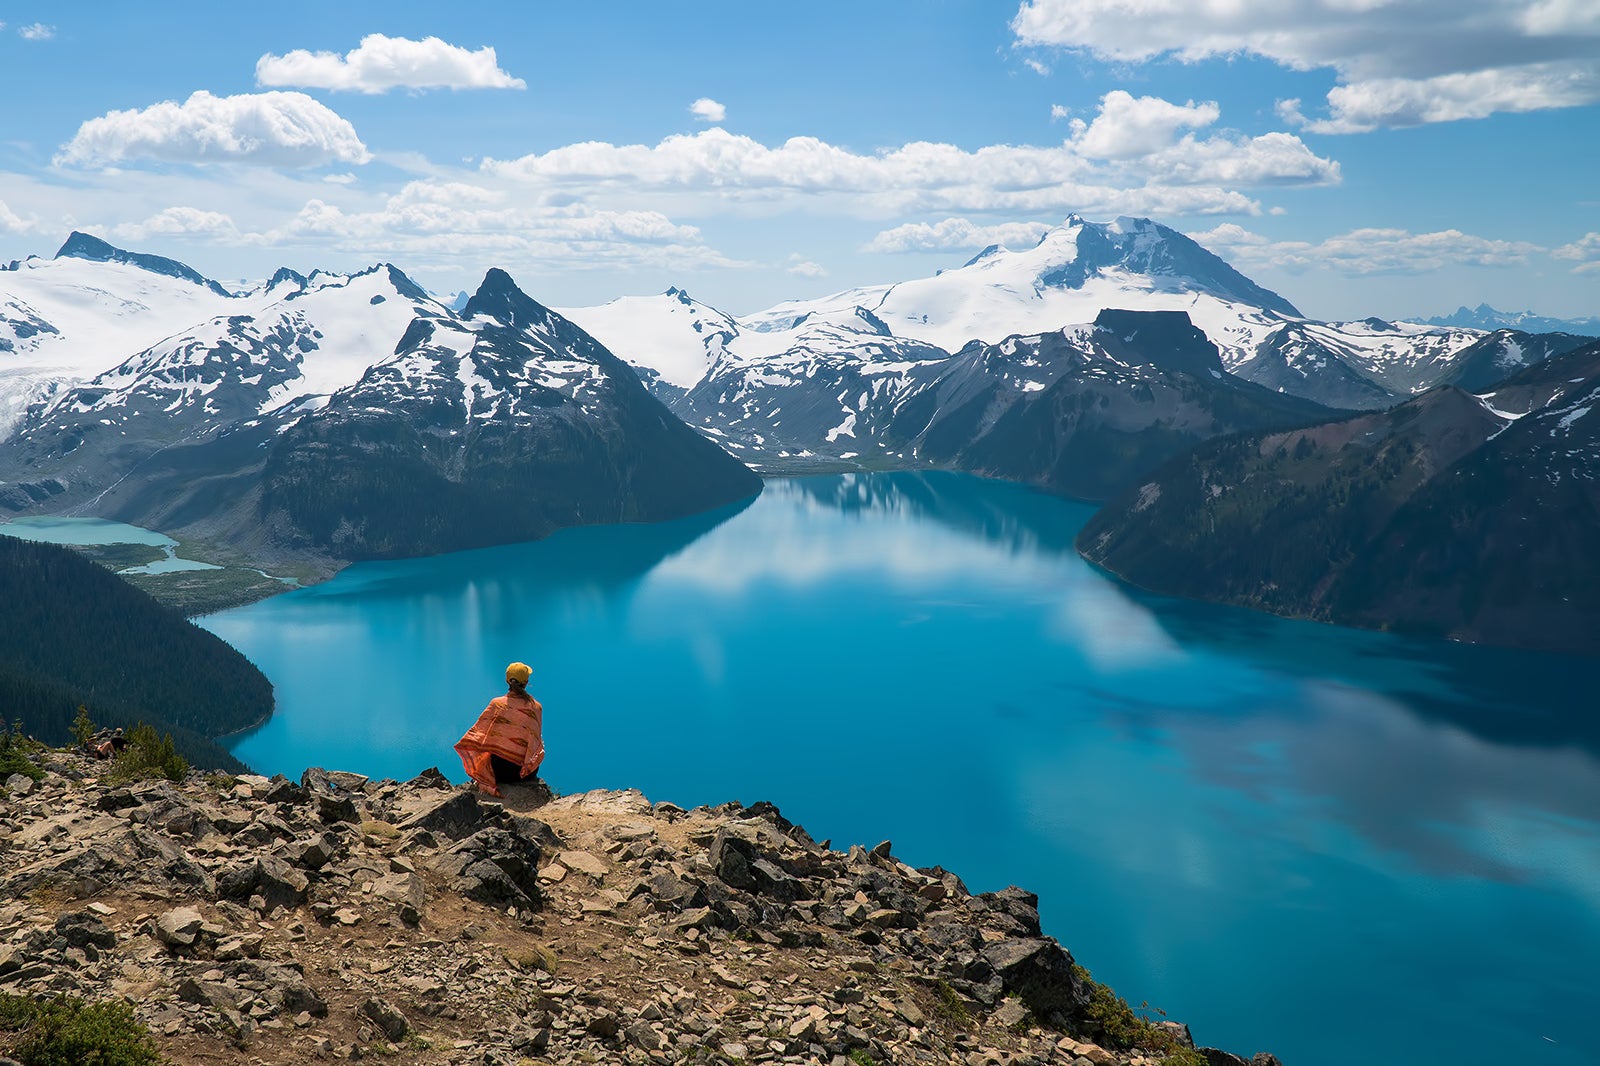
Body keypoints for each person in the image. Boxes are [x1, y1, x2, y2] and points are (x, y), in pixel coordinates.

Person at [455, 661, 544, 798]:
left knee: (488, 753)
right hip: (525, 774)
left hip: (499, 772)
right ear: (526, 682)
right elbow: (535, 742)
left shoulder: (497, 704)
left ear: (507, 681)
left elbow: (479, 734)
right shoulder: (536, 708)